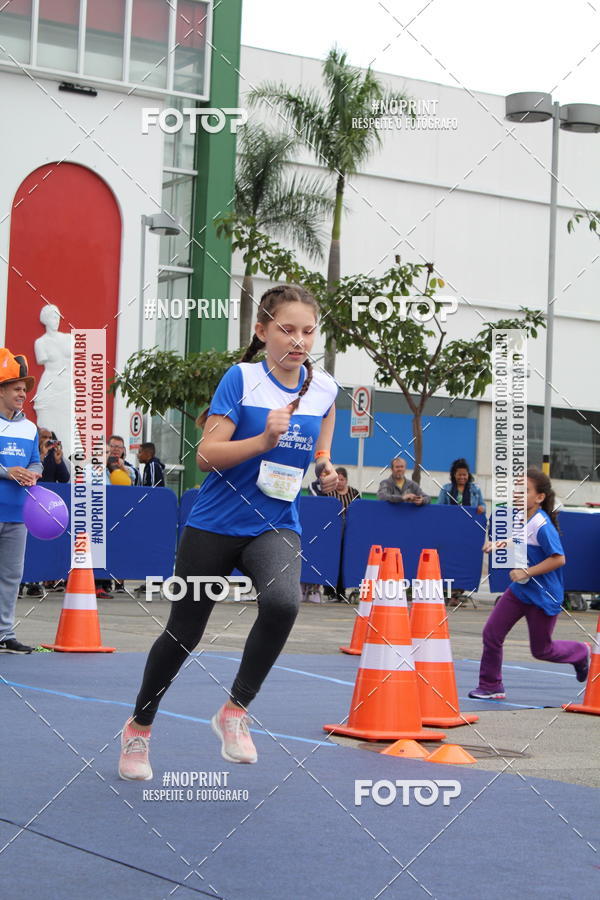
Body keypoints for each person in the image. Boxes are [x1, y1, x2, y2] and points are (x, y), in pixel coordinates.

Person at [118, 284, 338, 780]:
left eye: (307, 330)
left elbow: (324, 430)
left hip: (276, 523)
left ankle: (235, 710)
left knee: (284, 603)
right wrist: (263, 439)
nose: (299, 340)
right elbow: (205, 455)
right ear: (262, 332)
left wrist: (325, 467)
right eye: (287, 329)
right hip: (214, 525)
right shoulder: (241, 380)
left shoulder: (323, 388)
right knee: (184, 632)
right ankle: (140, 727)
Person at [468, 467, 591, 700]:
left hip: (543, 596)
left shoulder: (542, 525)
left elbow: (559, 558)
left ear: (539, 497)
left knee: (542, 650)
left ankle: (580, 652)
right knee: (491, 634)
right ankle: (491, 685)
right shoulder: (520, 516)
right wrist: (498, 544)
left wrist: (526, 571)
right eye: (516, 490)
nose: (517, 494)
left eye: (523, 491)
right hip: (520, 592)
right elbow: (518, 539)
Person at [0, 350, 42, 653]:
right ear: (1, 389)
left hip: (18, 514)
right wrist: (5, 472)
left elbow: (37, 462)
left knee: (11, 576)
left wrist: (32, 473)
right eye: (16, 389)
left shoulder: (30, 428)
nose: (23, 394)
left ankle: (4, 633)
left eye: (24, 390)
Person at [309, 467, 360, 601]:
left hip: (350, 535)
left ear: (347, 480)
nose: (340, 482)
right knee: (331, 562)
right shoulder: (329, 493)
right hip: (332, 534)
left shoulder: (354, 493)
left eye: (342, 479)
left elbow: (360, 511)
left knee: (346, 562)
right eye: (337, 479)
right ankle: (330, 591)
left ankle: (342, 592)